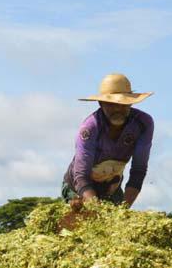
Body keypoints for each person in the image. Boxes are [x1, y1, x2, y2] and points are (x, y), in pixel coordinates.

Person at [62, 73, 154, 207]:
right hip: (79, 188)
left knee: (117, 223)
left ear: (131, 103)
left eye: (123, 104)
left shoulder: (143, 124)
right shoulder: (90, 128)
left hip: (111, 187)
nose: (117, 109)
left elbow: (138, 170)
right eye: (110, 104)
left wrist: (124, 209)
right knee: (85, 222)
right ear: (101, 103)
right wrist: (98, 210)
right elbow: (81, 177)